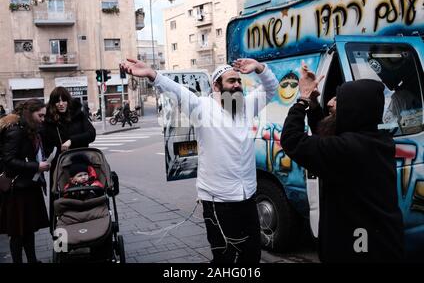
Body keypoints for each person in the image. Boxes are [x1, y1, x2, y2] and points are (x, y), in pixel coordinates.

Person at [121, 57, 278, 263]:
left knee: (252, 256)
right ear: (216, 86)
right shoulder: (203, 108)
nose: (237, 85)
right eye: (231, 81)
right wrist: (152, 74)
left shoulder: (247, 107)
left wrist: (258, 67)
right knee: (224, 258)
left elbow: (272, 87)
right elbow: (178, 92)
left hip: (247, 198)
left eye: (239, 81)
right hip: (218, 202)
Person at [280, 63, 405, 263]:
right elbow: (328, 136)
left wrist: (302, 99)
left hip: (361, 249)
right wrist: (313, 107)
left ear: (355, 109)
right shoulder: (374, 140)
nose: (330, 102)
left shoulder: (349, 149)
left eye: (339, 100)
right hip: (378, 240)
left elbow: (292, 140)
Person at [0, 99, 50, 263]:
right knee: (17, 233)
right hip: (17, 190)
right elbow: (9, 160)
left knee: (28, 229)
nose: (43, 119)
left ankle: (33, 260)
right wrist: (36, 166)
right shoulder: (15, 131)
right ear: (30, 113)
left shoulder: (30, 128)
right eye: (40, 115)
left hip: (29, 186)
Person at [43, 87, 96, 231]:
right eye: (57, 101)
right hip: (60, 166)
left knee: (84, 195)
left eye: (63, 100)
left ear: (68, 101)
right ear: (53, 103)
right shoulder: (48, 121)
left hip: (80, 163)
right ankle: (61, 232)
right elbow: (45, 146)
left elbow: (91, 134)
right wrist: (53, 152)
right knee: (61, 198)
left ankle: (88, 227)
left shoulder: (78, 114)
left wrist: (71, 141)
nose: (61, 104)